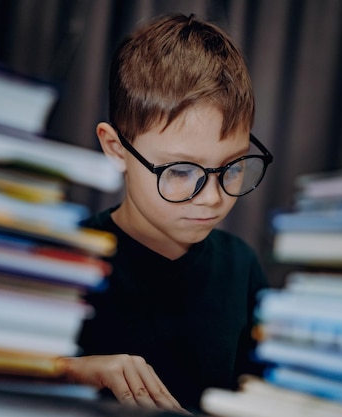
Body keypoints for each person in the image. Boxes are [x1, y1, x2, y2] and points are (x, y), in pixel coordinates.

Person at [54, 13, 273, 414]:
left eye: (234, 168)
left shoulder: (242, 268)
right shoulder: (61, 264)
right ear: (116, 148)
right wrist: (70, 371)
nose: (211, 198)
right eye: (181, 171)